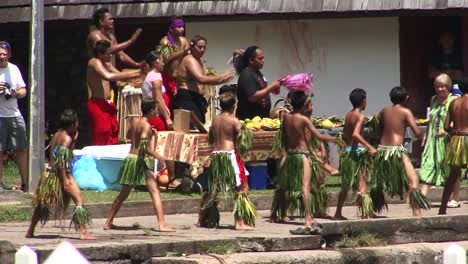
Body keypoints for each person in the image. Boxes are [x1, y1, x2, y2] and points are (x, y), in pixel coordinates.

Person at [270, 91, 341, 233]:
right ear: (303, 106)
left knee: (284, 186)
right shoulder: (304, 120)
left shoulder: (287, 118)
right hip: (303, 156)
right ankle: (308, 217)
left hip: (290, 155)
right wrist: (335, 139)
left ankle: (275, 214)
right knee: (305, 188)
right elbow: (319, 135)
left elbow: (284, 137)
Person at [103, 97, 175, 232]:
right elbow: (145, 148)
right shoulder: (147, 126)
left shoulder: (136, 121)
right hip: (139, 160)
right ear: (151, 110)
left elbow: (130, 135)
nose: (157, 112)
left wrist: (150, 135)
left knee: (123, 194)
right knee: (154, 191)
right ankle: (162, 225)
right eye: (156, 110)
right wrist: (158, 156)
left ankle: (108, 222)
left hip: (130, 158)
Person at [26, 109, 95, 240]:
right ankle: (83, 233)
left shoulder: (58, 134)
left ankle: (30, 230)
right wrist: (65, 180)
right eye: (77, 122)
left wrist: (75, 139)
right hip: (61, 174)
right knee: (79, 200)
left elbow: (59, 154)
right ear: (73, 124)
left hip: (48, 174)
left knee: (42, 204)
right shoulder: (67, 139)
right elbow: (62, 161)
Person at [198, 92, 256, 230]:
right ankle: (240, 222)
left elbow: (211, 136)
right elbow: (241, 140)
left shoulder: (215, 119)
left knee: (214, 189)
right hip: (229, 155)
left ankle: (206, 219)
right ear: (233, 106)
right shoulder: (234, 120)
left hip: (216, 156)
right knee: (242, 187)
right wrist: (246, 133)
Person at [374, 86, 430, 217]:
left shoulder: (384, 111)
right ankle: (416, 212)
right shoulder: (406, 112)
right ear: (406, 98)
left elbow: (377, 126)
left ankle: (370, 210)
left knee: (378, 182)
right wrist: (422, 138)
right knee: (414, 180)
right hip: (396, 151)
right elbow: (417, 132)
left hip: (382, 149)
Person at [333, 88, 377, 220]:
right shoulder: (360, 116)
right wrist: (369, 146)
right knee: (362, 183)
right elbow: (355, 134)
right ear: (364, 102)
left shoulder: (348, 114)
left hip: (347, 151)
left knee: (345, 185)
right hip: (356, 153)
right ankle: (366, 212)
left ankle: (338, 213)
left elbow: (347, 134)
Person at [87, 40, 140, 145]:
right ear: (100, 54)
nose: (111, 55)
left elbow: (119, 74)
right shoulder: (94, 62)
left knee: (112, 132)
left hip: (107, 104)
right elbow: (108, 76)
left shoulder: (107, 63)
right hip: (97, 104)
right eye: (108, 53)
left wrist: (136, 77)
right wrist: (136, 73)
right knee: (102, 133)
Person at [173, 35, 234, 124]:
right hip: (187, 98)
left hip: (196, 99)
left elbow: (205, 80)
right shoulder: (189, 60)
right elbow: (201, 79)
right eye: (199, 47)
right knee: (191, 129)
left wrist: (221, 79)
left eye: (204, 47)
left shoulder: (199, 60)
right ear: (192, 47)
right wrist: (222, 77)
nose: (202, 50)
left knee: (200, 127)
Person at [420, 74, 458, 207]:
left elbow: (458, 121)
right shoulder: (433, 99)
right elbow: (431, 119)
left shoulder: (454, 100)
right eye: (437, 86)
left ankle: (451, 198)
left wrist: (446, 130)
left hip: (447, 138)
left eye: (442, 86)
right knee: (428, 164)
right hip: (432, 138)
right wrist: (426, 134)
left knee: (448, 168)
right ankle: (422, 197)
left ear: (448, 86)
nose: (439, 89)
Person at [0, 41, 28, 191]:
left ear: (9, 55)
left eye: (5, 54)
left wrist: (15, 93)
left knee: (21, 148)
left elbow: (23, 90)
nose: (2, 57)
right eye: (0, 54)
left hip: (14, 113)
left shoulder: (14, 69)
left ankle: (25, 182)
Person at [439, 79, 468, 215]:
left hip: (456, 140)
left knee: (452, 176)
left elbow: (445, 126)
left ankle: (442, 208)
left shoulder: (454, 103)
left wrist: (455, 132)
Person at [235, 45, 281, 120]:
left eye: (263, 58)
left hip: (260, 120)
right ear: (251, 60)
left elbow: (261, 90)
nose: (263, 61)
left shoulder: (257, 73)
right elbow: (253, 97)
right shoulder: (246, 74)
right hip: (249, 121)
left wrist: (273, 89)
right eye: (260, 59)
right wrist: (270, 88)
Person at [143, 49, 173, 131]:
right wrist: (167, 118)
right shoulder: (155, 77)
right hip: (156, 116)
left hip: (151, 114)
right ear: (156, 62)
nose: (163, 64)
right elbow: (158, 98)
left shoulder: (150, 75)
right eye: (162, 61)